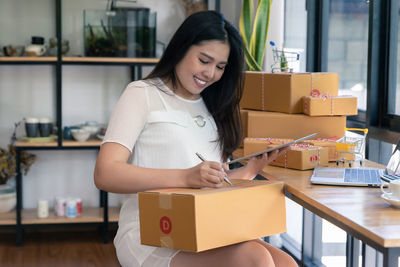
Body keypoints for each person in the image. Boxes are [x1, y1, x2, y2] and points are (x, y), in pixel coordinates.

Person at [94, 10, 297, 267]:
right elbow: (105, 174)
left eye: (220, 67)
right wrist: (186, 176)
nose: (211, 73)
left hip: (201, 228)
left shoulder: (212, 107)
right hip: (152, 233)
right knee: (255, 259)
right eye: (204, 60)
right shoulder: (142, 94)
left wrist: (250, 170)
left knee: (285, 262)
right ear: (181, 48)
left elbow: (209, 186)